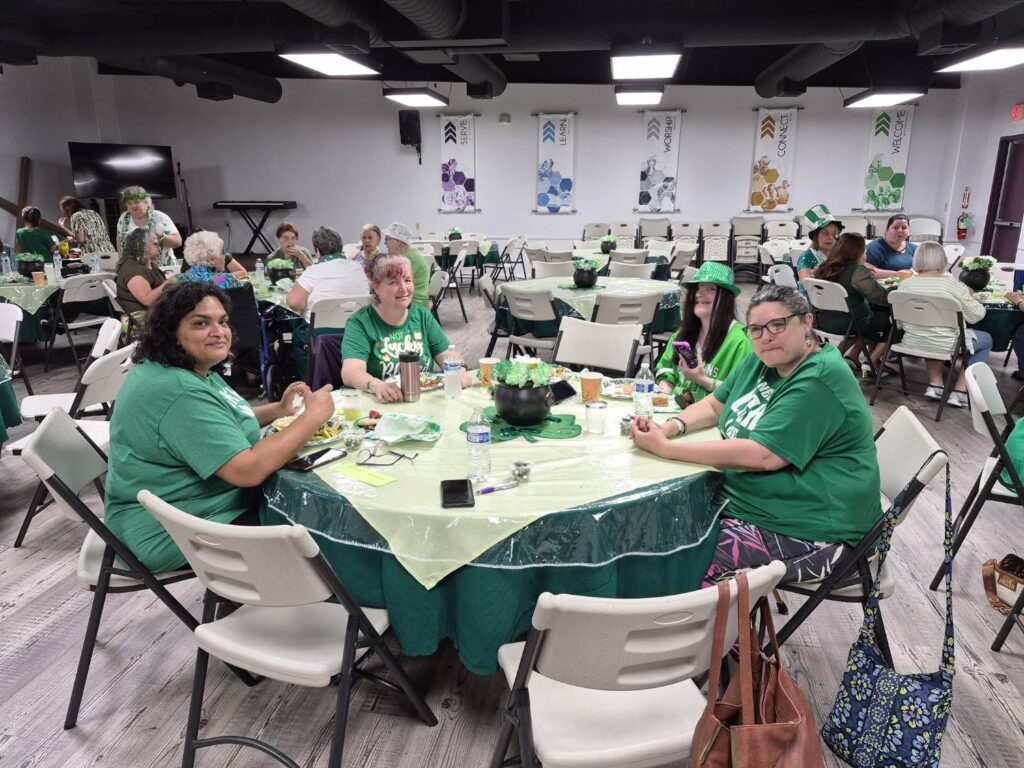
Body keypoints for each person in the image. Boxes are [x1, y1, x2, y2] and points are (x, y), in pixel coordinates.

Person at [631, 285, 881, 584]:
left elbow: (763, 455)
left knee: (674, 563)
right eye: (757, 329)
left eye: (778, 324)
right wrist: (669, 428)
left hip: (817, 530)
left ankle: (702, 626)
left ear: (807, 322)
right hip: (756, 503)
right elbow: (714, 405)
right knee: (651, 527)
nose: (766, 336)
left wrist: (666, 449)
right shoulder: (764, 358)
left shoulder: (819, 378)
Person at [104, 281, 335, 572]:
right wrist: (311, 418)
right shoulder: (179, 391)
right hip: (173, 530)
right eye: (201, 323)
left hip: (195, 508)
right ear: (171, 332)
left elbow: (221, 419)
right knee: (326, 532)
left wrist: (278, 410)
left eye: (223, 321)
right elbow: (247, 470)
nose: (218, 332)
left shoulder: (186, 367)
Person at [341, 254, 471, 403]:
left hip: (423, 401)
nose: (403, 288)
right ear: (376, 287)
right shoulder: (360, 322)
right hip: (383, 406)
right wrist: (377, 385)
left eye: (407, 280)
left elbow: (446, 354)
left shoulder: (422, 316)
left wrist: (459, 370)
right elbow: (351, 372)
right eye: (393, 282)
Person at [894, 241, 991, 407]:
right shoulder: (953, 285)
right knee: (986, 339)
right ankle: (959, 392)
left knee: (930, 332)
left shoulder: (904, 285)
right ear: (943, 260)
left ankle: (936, 385)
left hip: (913, 342)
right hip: (945, 344)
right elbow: (977, 315)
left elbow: (898, 323)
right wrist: (969, 295)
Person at [655, 262, 752, 405]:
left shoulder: (741, 341)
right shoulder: (683, 334)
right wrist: (662, 397)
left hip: (713, 420)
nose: (699, 294)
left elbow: (743, 393)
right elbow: (666, 369)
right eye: (698, 288)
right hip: (673, 412)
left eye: (711, 289)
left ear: (726, 298)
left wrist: (702, 379)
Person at [811, 232, 892, 371]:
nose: (865, 254)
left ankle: (842, 356)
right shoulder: (857, 271)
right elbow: (881, 297)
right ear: (857, 252)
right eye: (864, 250)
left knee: (872, 316)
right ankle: (872, 362)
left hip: (823, 321)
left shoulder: (823, 267)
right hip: (850, 323)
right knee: (891, 323)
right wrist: (897, 289)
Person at [286, 240, 370, 313]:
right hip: (357, 329)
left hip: (320, 330)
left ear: (318, 251)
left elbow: (294, 303)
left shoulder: (313, 271)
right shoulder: (358, 268)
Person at [115, 186, 182, 267]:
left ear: (146, 202)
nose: (133, 206)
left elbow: (178, 242)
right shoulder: (124, 218)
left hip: (163, 268)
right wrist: (121, 263)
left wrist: (162, 236)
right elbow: (119, 239)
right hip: (134, 268)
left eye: (136, 202)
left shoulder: (159, 217)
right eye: (129, 203)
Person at [115, 228, 167, 316]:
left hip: (157, 312)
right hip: (144, 318)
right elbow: (147, 300)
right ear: (142, 245)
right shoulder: (133, 269)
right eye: (155, 244)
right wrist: (168, 283)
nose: (159, 248)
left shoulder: (148, 264)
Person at [382, 222, 430, 308]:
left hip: (414, 303)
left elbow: (395, 283)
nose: (385, 243)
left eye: (387, 239)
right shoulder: (407, 255)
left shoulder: (408, 259)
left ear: (398, 241)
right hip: (409, 298)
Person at [176, 231, 243, 290]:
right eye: (222, 252)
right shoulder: (224, 279)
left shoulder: (178, 279)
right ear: (212, 260)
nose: (224, 257)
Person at [795, 203, 843, 283]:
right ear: (816, 236)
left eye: (834, 233)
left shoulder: (840, 255)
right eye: (825, 233)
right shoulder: (806, 257)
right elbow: (806, 286)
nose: (830, 237)